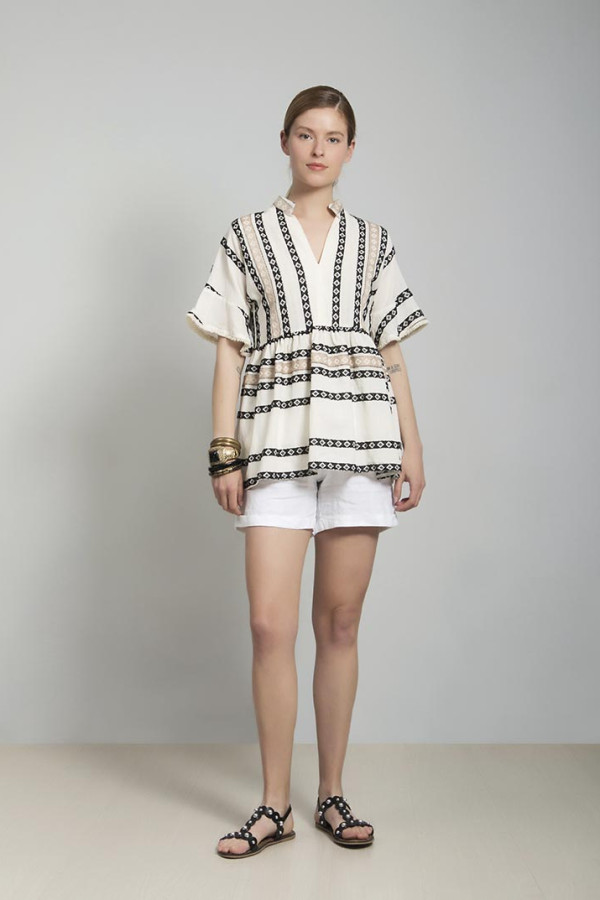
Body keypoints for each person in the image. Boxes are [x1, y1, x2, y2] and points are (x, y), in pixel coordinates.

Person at [185, 85, 430, 858]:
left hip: (362, 442)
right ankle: (272, 805)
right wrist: (224, 449)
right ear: (285, 141)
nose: (319, 149)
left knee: (341, 624)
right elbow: (229, 349)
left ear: (350, 150)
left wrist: (413, 446)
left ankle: (330, 794)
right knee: (269, 626)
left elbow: (391, 351)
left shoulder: (373, 242)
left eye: (333, 137)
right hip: (275, 444)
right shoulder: (247, 235)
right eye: (305, 134)